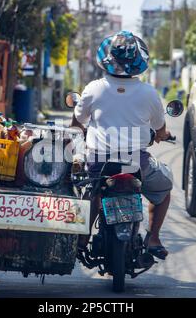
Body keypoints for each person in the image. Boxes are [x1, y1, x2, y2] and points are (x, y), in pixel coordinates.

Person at [71, 31, 173, 260]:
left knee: (93, 194)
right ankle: (154, 238)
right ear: (139, 60)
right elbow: (160, 129)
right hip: (134, 162)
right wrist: (163, 135)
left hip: (99, 162)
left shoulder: (94, 88)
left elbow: (79, 120)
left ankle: (81, 239)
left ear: (109, 59)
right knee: (163, 190)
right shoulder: (149, 93)